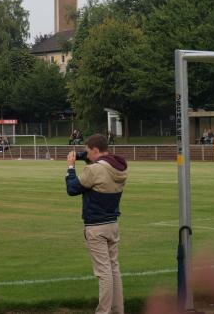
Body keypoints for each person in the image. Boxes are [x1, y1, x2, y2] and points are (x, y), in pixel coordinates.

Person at [65, 134, 128, 314]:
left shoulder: (94, 171)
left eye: (87, 151)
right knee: (114, 269)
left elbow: (72, 189)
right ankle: (118, 310)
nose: (85, 154)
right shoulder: (119, 169)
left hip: (96, 226)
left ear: (94, 150)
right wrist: (84, 157)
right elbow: (99, 166)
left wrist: (70, 167)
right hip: (112, 223)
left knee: (104, 273)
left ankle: (103, 311)